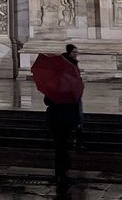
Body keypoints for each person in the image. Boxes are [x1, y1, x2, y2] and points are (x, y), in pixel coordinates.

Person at [44, 44, 84, 192]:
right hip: (67, 117)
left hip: (55, 118)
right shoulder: (71, 84)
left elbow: (47, 101)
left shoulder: (53, 83)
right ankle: (64, 169)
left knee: (58, 145)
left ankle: (59, 170)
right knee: (64, 144)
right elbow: (75, 99)